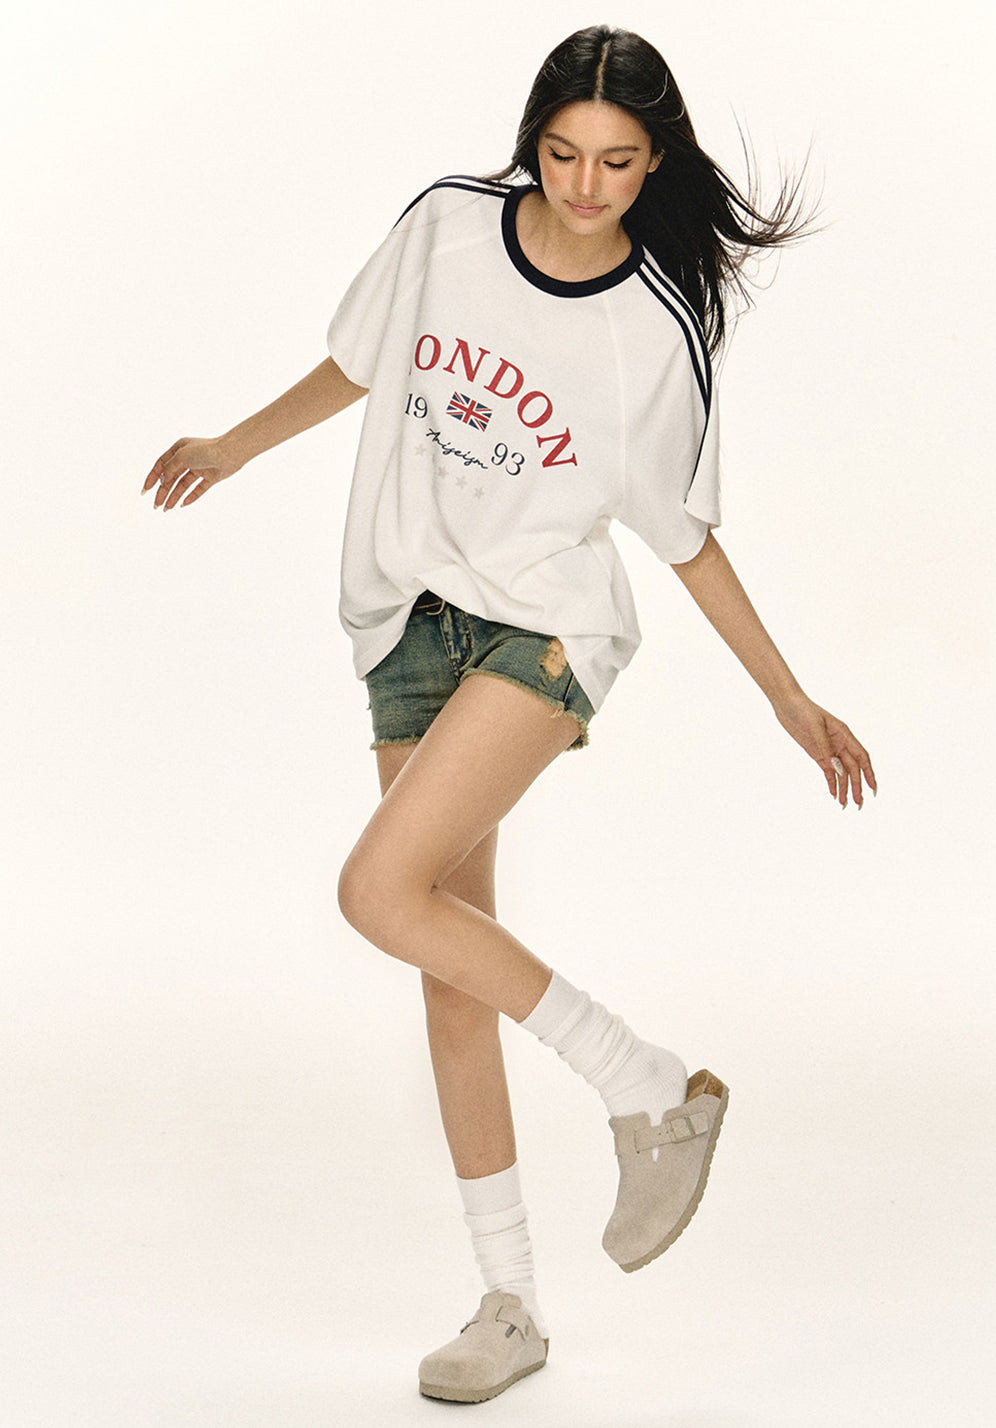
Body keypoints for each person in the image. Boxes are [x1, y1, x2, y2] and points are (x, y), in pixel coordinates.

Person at [142, 23, 876, 1406]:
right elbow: (363, 362)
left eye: (618, 162)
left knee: (376, 892)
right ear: (530, 140)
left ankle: (642, 1081)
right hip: (404, 620)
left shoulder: (657, 327)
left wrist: (789, 696)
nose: (586, 186)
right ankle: (510, 1305)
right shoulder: (445, 225)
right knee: (447, 963)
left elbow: (683, 539)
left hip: (543, 628)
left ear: (655, 166)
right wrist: (233, 445)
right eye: (563, 153)